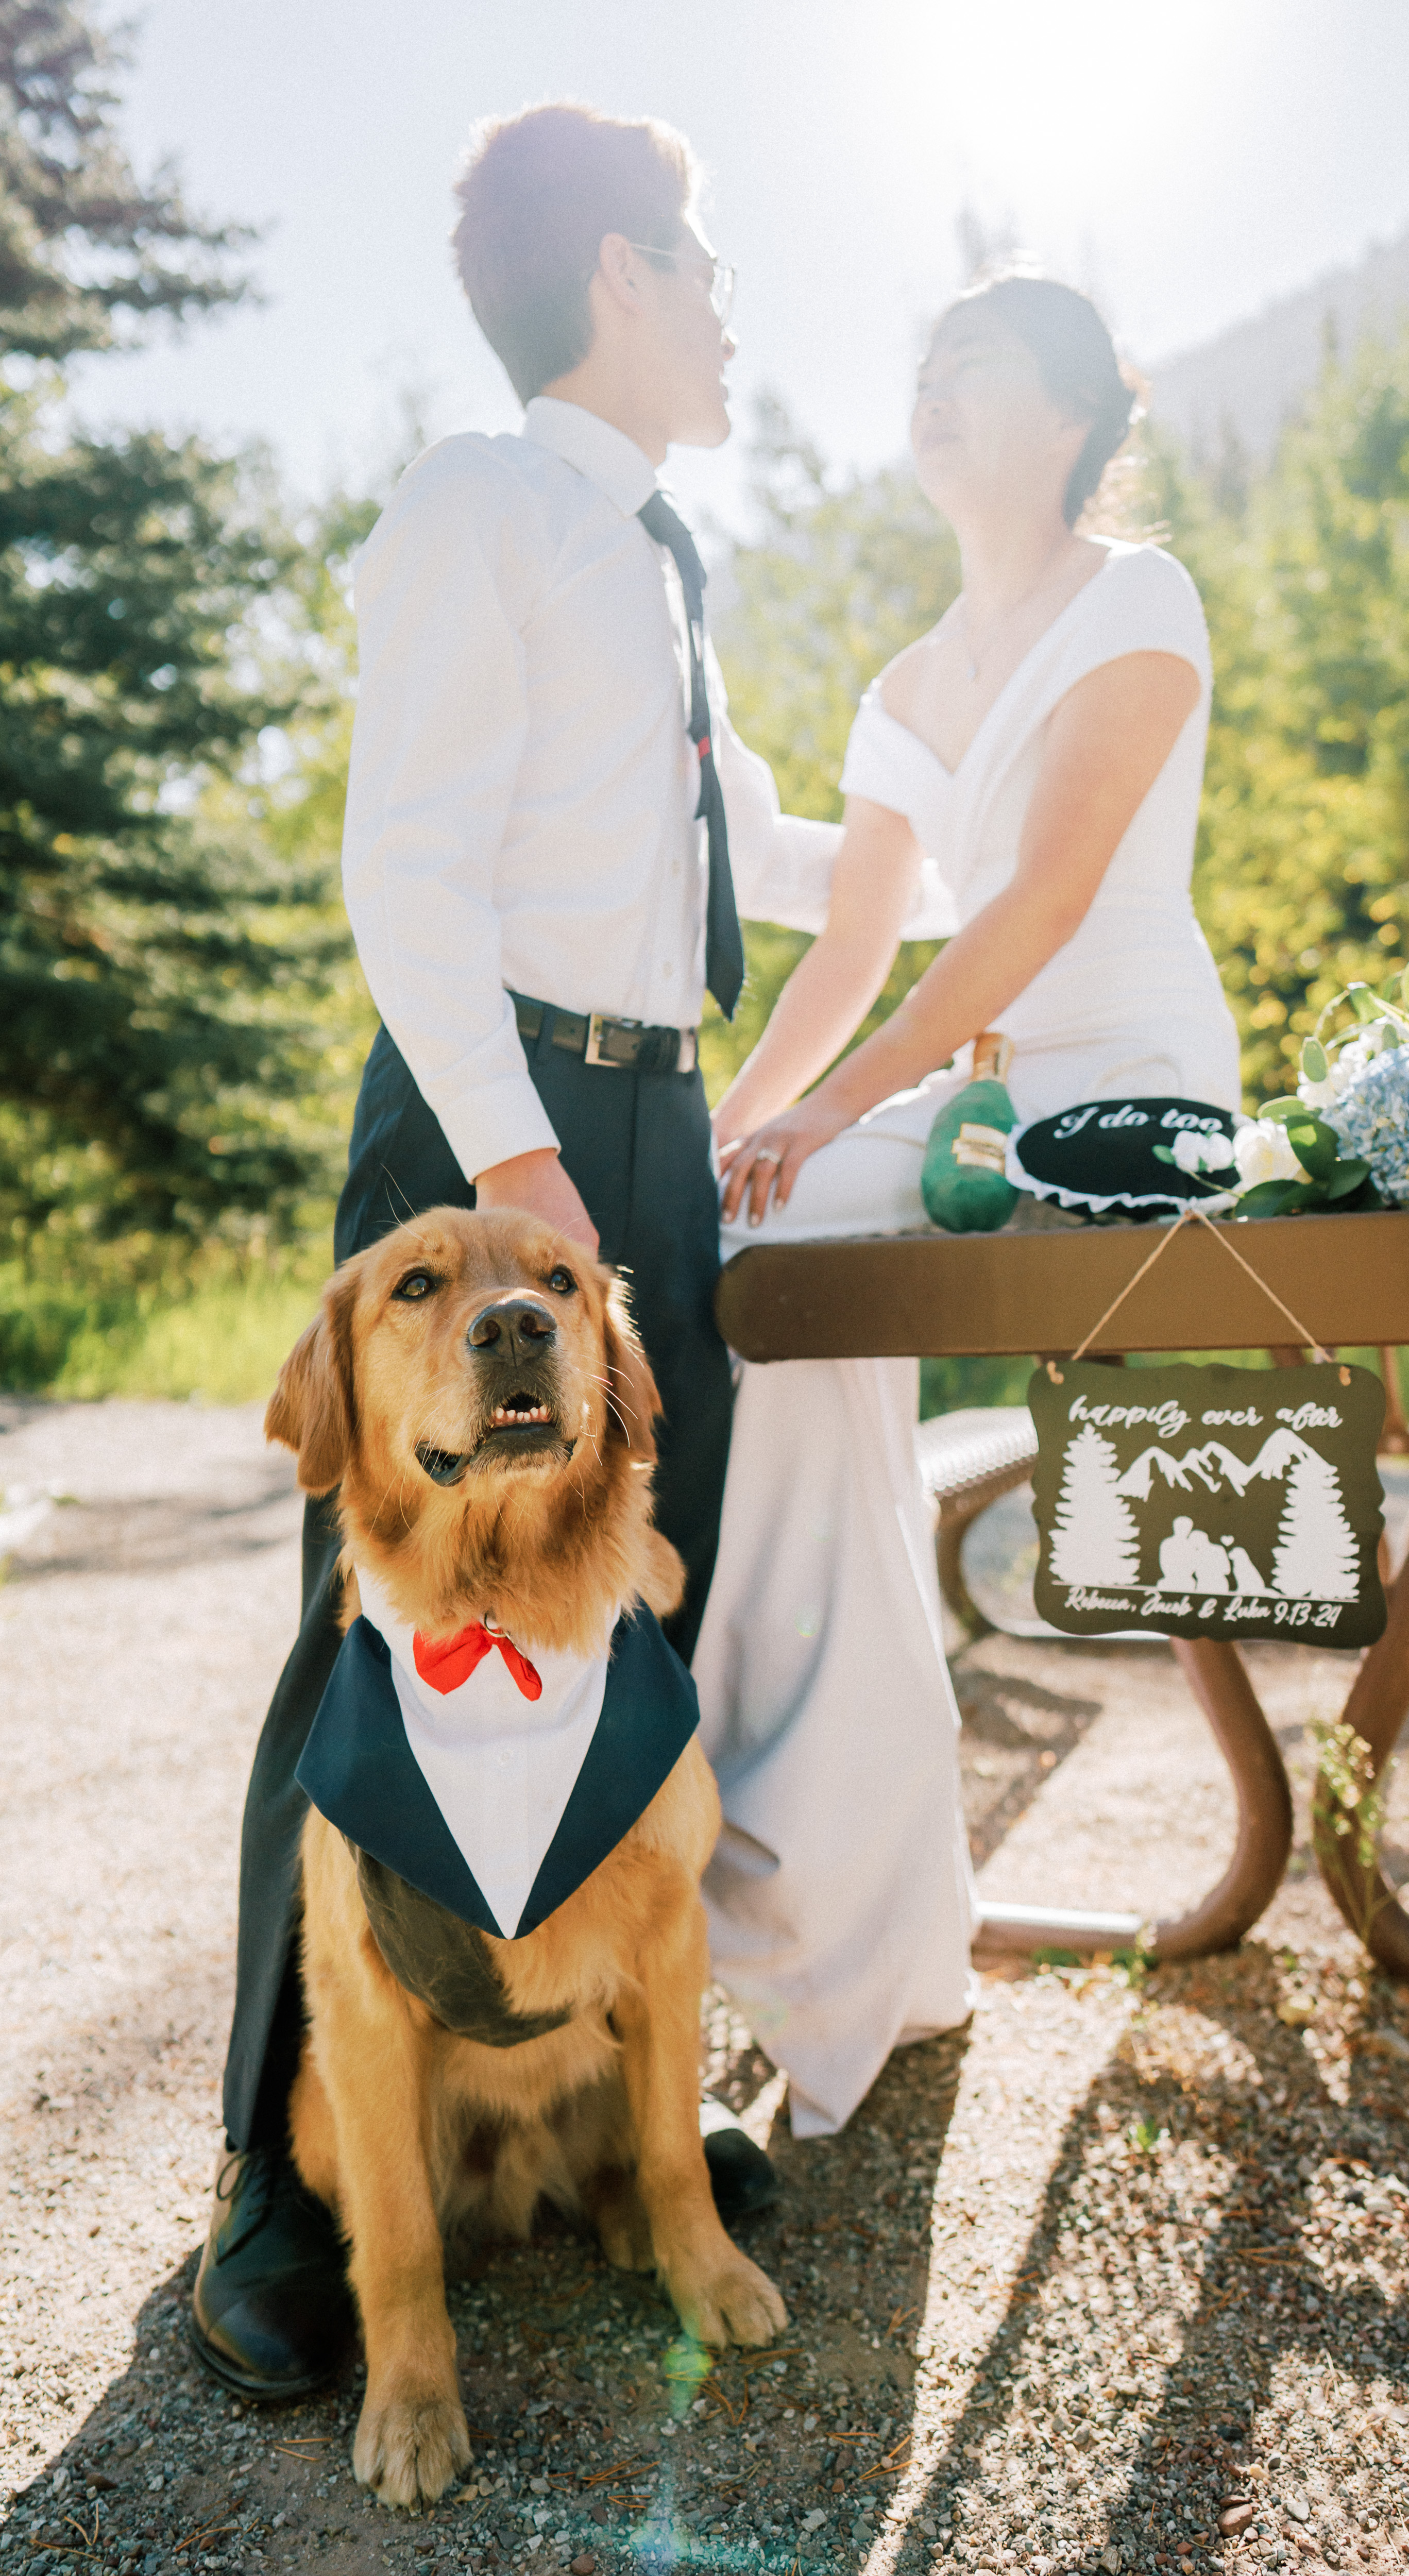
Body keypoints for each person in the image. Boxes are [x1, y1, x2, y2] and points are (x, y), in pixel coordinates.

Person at [192, 100, 842, 2401]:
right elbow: (407, 870)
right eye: (713, 268)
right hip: (502, 1148)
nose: (737, 313)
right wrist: (523, 1169)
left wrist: (1036, 834)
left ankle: (596, 2099)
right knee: (375, 1646)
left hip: (653, 1140)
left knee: (622, 1628)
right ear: (624, 283)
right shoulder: (477, 503)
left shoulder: (664, 568)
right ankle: (287, 2197)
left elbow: (767, 837)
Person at [694, 274, 1242, 2140]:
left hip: (1133, 1093)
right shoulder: (904, 680)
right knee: (733, 1256)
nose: (932, 393)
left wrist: (841, 1108)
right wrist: (735, 1136)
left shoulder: (1137, 601)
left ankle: (834, 1876)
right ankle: (827, 1877)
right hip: (979, 1100)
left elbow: (1042, 907)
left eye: (978, 368)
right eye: (919, 366)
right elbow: (847, 956)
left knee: (814, 1201)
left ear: (1080, 414)